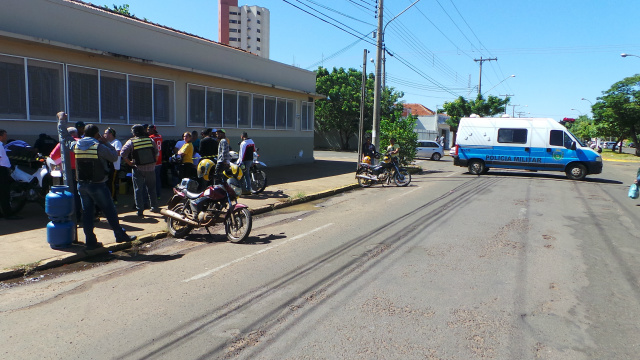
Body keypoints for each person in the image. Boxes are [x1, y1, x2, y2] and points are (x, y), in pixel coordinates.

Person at [57, 112, 136, 249]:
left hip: (82, 184)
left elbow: (64, 136)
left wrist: (61, 120)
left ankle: (91, 241)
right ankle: (119, 235)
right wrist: (106, 143)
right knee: (109, 211)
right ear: (96, 135)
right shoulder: (99, 146)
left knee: (87, 213)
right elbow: (113, 157)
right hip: (98, 185)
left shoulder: (76, 145)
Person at [120, 124, 159, 217]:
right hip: (151, 168)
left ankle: (140, 210)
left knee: (138, 190)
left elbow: (122, 153)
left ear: (134, 133)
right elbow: (157, 152)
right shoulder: (150, 140)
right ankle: (154, 207)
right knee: (152, 189)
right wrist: (154, 162)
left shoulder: (131, 141)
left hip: (138, 168)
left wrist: (129, 163)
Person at [50, 127, 82, 222]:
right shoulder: (81, 142)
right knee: (81, 193)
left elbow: (53, 156)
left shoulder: (62, 143)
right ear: (75, 134)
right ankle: (83, 214)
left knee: (70, 193)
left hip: (68, 171)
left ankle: (73, 215)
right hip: (81, 171)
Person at [0, 129, 22, 220]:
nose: (6, 137)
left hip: (3, 169)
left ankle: (3, 213)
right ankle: (8, 214)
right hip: (1, 170)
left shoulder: (1, 145)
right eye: (5, 135)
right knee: (4, 193)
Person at [103, 127, 121, 204]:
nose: (104, 135)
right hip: (108, 166)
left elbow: (118, 152)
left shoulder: (116, 142)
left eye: (105, 133)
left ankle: (113, 199)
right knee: (108, 183)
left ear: (110, 134)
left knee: (112, 183)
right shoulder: (108, 143)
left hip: (114, 166)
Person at [148, 125, 163, 200]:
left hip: (154, 160)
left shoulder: (151, 138)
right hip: (159, 160)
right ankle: (158, 194)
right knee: (158, 178)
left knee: (152, 180)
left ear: (152, 130)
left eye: (149, 129)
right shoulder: (160, 136)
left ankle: (154, 195)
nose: (148, 131)